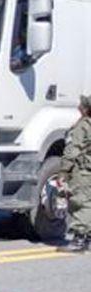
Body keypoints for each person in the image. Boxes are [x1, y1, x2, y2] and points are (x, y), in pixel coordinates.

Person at [58, 95, 91, 253]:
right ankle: (88, 239)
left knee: (80, 203)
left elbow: (73, 149)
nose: (79, 107)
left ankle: (79, 240)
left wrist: (64, 170)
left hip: (84, 171)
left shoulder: (84, 125)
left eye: (81, 105)